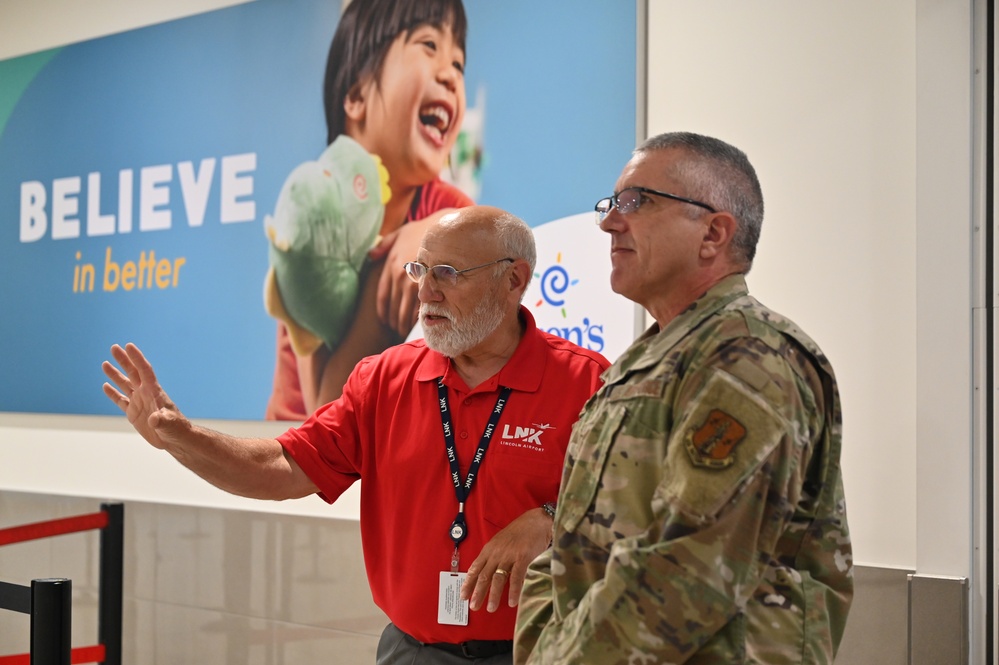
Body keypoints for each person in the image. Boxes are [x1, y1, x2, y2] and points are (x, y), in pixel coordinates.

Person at [103, 206, 610, 664]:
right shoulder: (384, 379)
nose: (426, 291)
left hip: (540, 651)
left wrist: (549, 519)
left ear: (513, 280)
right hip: (411, 651)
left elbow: (638, 514)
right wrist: (181, 437)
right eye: (420, 270)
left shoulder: (588, 383)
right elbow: (280, 468)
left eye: (448, 274)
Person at [514, 132, 853, 664]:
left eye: (638, 202)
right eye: (611, 203)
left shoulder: (749, 356)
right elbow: (567, 550)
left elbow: (688, 568)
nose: (608, 222)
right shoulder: (645, 361)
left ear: (714, 233)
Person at [265, 0, 474, 421]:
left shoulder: (449, 208)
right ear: (357, 96)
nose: (450, 75)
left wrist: (435, 229)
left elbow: (499, 240)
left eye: (459, 62)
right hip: (303, 450)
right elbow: (324, 415)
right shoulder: (320, 212)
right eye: (429, 45)